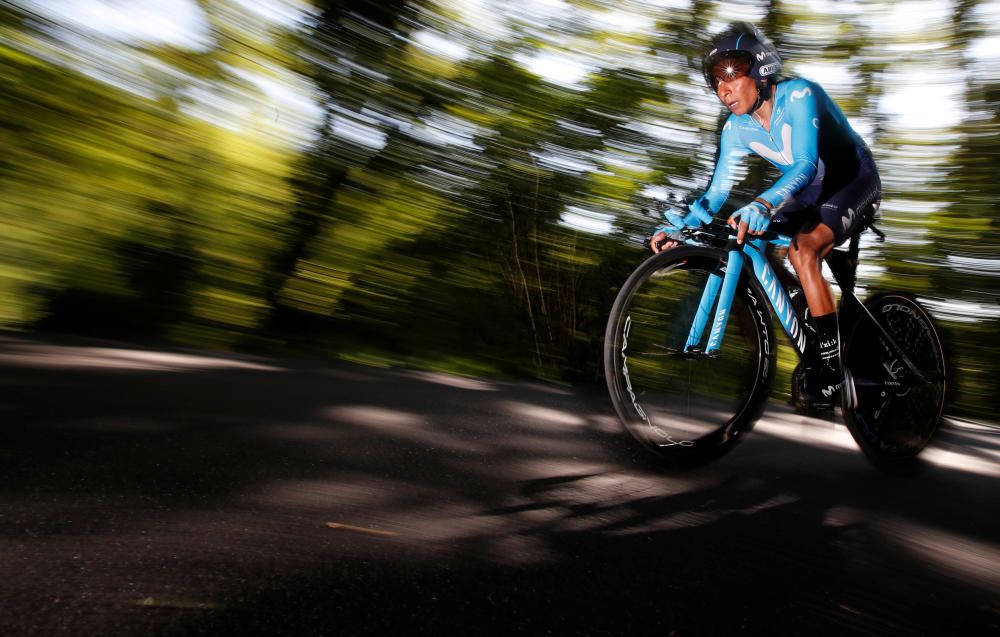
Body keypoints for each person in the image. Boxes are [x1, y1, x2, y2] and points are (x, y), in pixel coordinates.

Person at [650, 22, 881, 408]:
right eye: (715, 80)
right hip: (811, 193)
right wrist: (680, 228)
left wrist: (763, 203)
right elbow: (716, 194)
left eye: (730, 74)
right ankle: (807, 304)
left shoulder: (801, 94)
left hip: (854, 179)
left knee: (802, 250)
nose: (722, 88)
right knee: (744, 234)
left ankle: (829, 365)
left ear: (761, 68)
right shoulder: (735, 129)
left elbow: (805, 165)